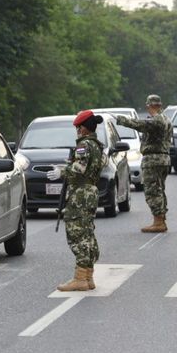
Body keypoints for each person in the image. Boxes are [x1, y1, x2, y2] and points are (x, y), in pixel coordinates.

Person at [47, 110, 106, 291]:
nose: (77, 131)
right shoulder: (97, 145)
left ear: (83, 128)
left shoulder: (84, 146)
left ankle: (80, 279)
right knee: (87, 233)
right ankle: (87, 276)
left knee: (77, 233)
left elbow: (79, 168)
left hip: (80, 193)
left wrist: (61, 171)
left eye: (78, 128)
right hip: (91, 191)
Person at [115, 95, 172, 233]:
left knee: (152, 191)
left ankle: (158, 221)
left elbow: (140, 125)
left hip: (153, 159)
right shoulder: (166, 119)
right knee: (159, 190)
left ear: (149, 105)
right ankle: (161, 219)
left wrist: (122, 120)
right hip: (163, 159)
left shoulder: (157, 120)